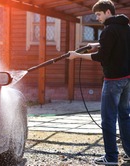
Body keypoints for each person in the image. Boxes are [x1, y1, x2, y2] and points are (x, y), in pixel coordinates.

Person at [68, 0, 130, 165]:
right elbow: (115, 45)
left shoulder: (108, 30)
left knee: (108, 118)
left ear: (108, 12)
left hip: (113, 81)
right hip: (127, 79)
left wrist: (77, 55)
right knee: (124, 116)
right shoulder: (126, 27)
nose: (97, 17)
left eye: (98, 14)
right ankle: (129, 153)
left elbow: (102, 57)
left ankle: (110, 158)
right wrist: (96, 45)